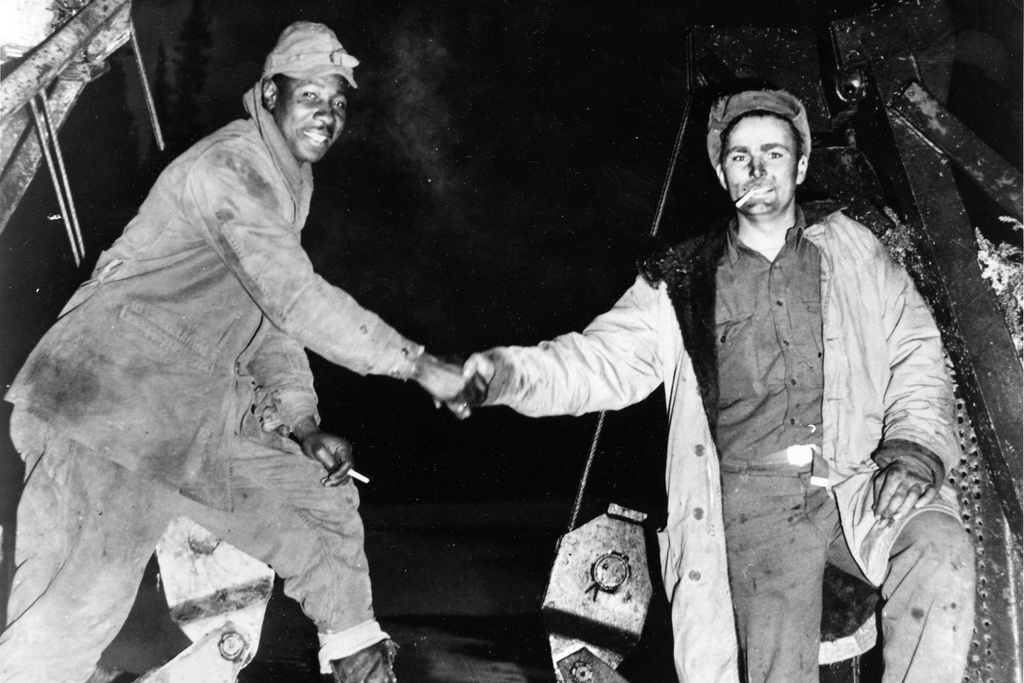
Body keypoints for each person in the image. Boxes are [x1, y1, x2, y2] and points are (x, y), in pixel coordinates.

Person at [456, 89, 976, 682]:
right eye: (740, 157)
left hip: (855, 481)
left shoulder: (856, 251)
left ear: (801, 166)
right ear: (721, 172)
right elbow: (600, 361)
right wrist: (504, 375)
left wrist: (913, 450)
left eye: (774, 154)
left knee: (940, 551)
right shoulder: (682, 278)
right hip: (756, 505)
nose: (758, 170)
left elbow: (915, 354)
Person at [0, 21, 465, 683]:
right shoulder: (233, 167)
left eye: (337, 104)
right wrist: (416, 362)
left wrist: (303, 425)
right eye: (310, 97)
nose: (327, 115)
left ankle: (361, 664)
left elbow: (271, 323)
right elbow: (294, 296)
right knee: (77, 606)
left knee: (318, 502)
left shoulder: (286, 183)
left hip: (187, 413)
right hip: (110, 400)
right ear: (270, 93)